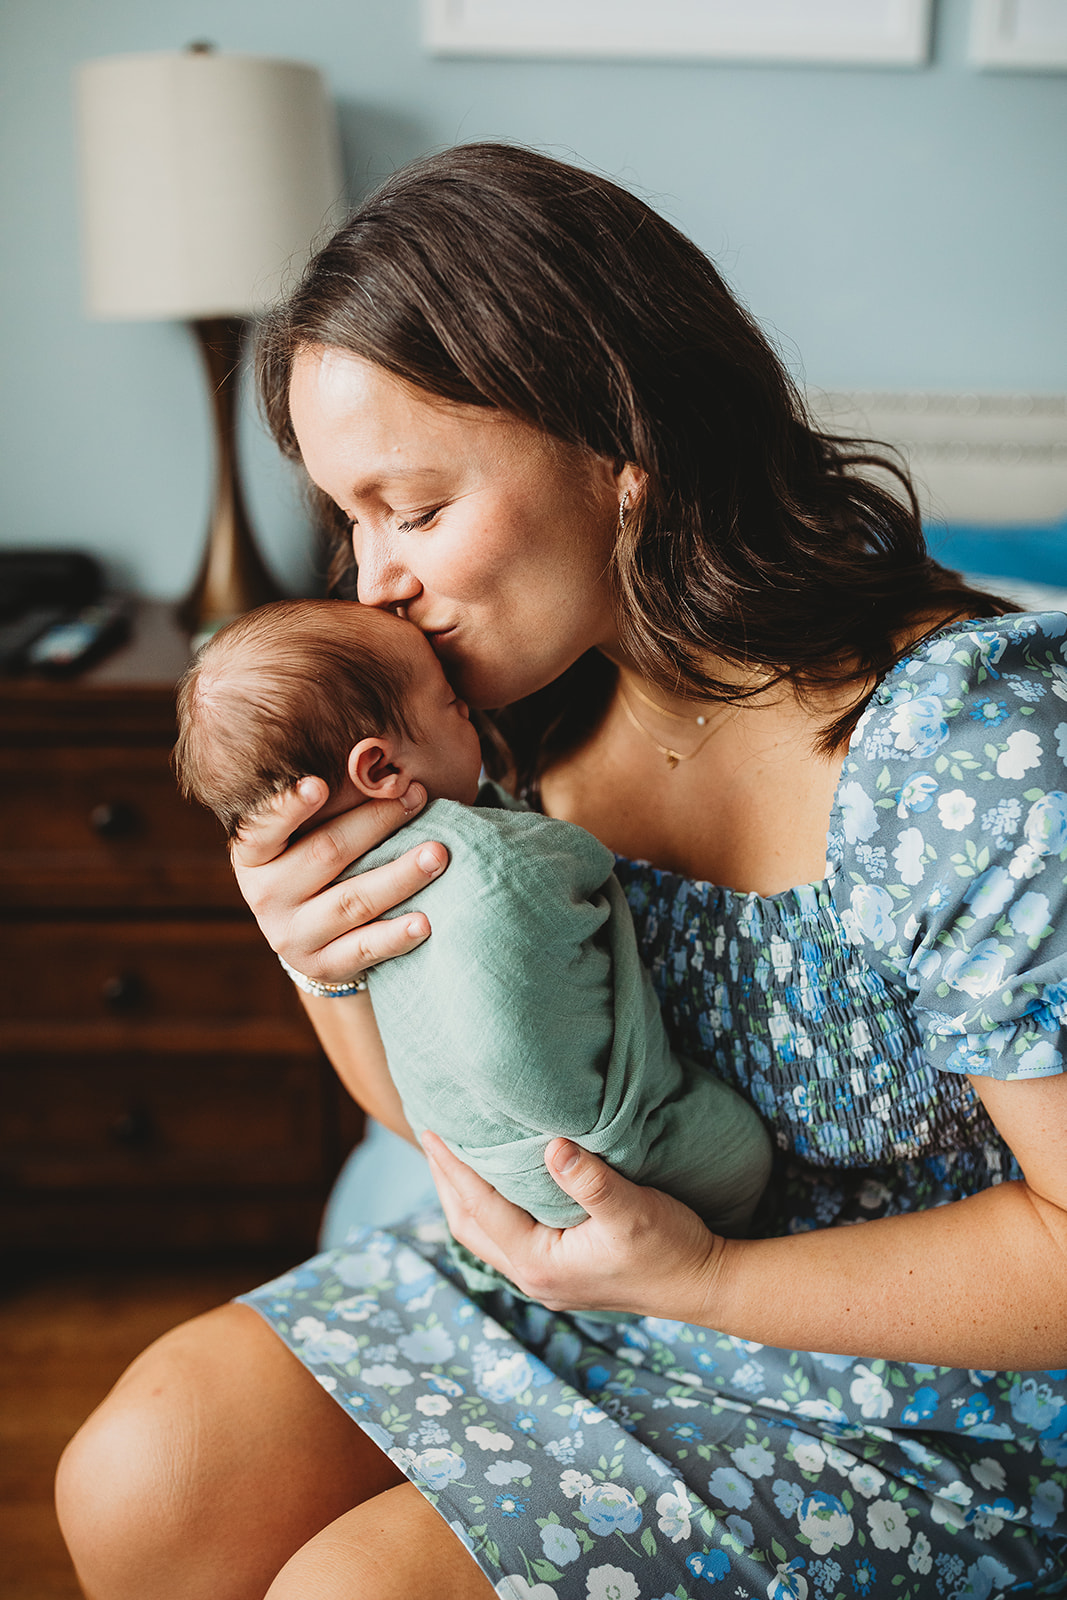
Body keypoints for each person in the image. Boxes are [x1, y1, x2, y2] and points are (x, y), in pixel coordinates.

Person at [56, 142, 1067, 1599]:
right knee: (146, 1468)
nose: (370, 581)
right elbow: (464, 1126)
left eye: (412, 508)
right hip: (588, 1278)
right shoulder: (477, 721)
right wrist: (322, 957)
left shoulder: (970, 748)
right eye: (348, 519)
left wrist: (705, 1283)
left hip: (929, 1392)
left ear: (616, 454)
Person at [172, 597, 772, 1290]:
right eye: (452, 704)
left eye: (420, 511)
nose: (377, 579)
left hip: (538, 1202)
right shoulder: (470, 867)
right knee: (736, 1155)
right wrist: (314, 971)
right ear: (377, 771)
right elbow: (554, 887)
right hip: (592, 1169)